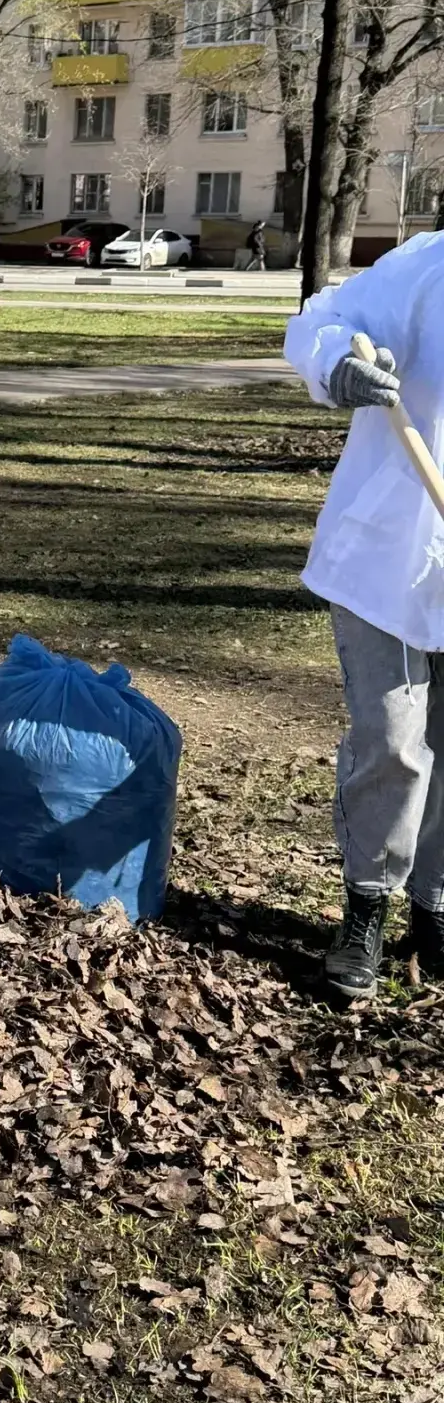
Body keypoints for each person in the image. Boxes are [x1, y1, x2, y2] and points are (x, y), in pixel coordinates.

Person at [284, 231, 444, 999]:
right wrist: (335, 365)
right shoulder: (424, 269)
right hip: (389, 562)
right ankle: (367, 906)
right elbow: (322, 319)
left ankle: (435, 907)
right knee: (393, 739)